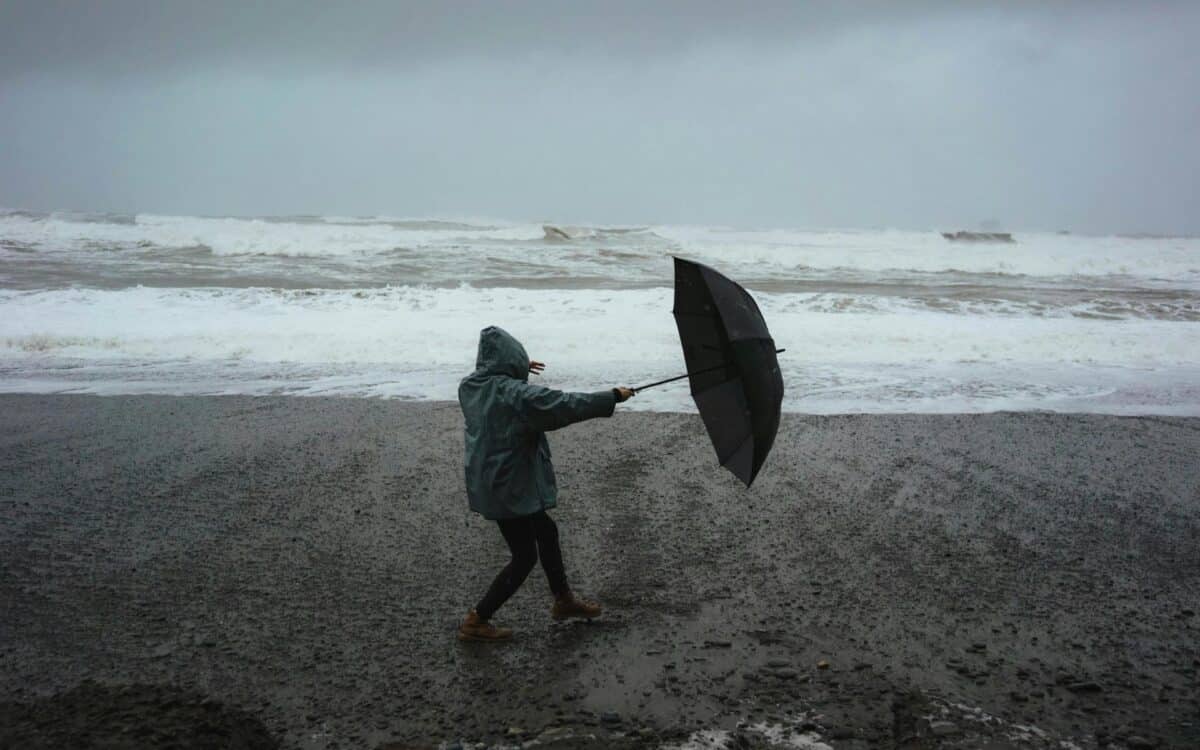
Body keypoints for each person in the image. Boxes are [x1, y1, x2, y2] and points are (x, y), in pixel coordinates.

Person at [456, 326, 635, 642]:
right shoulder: (516, 396)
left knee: (546, 531)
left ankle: (563, 600)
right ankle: (477, 619)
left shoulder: (470, 387)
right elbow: (563, 405)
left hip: (491, 480)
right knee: (524, 556)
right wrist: (611, 397)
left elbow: (499, 385)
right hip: (509, 487)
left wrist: (517, 369)